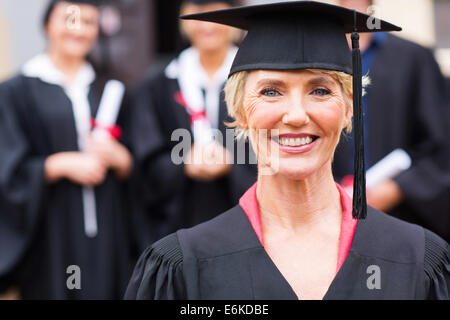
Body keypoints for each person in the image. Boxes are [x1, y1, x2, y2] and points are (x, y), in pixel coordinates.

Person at [125, 1, 449, 300]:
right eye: (270, 91)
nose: (296, 115)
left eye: (320, 90)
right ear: (239, 111)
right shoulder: (181, 267)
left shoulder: (418, 261)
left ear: (350, 109)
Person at [0, 0, 135, 299]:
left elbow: (140, 158)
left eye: (88, 22)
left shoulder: (112, 88)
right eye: (69, 19)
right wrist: (57, 165)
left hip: (109, 224)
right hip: (51, 230)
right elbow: (6, 167)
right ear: (48, 25)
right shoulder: (16, 91)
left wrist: (122, 159)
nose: (79, 29)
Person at [130, 0, 257, 238]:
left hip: (246, 227)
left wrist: (233, 164)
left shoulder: (258, 82)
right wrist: (182, 163)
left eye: (217, 11)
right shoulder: (158, 85)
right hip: (178, 228)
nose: (208, 22)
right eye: (198, 11)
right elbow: (144, 160)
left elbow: (275, 149)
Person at [333, 0, 450, 242]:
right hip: (330, 218)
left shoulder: (413, 58)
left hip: (403, 215)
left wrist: (399, 188)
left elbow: (441, 142)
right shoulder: (310, 60)